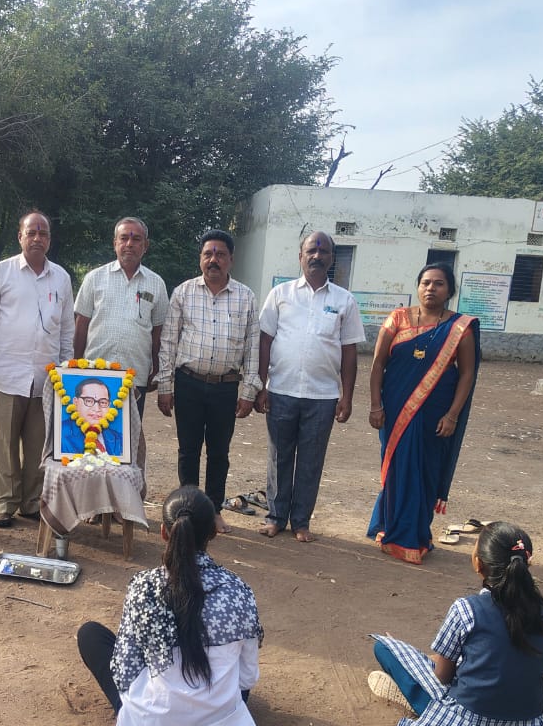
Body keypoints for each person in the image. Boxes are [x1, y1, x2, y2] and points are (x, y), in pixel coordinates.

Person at [76, 486, 263, 726]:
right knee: (231, 681)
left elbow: (125, 673)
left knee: (90, 634)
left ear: (164, 532)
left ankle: (157, 721)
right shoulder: (238, 590)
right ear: (213, 533)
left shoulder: (143, 587)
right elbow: (247, 678)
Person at [367, 521, 543, 726]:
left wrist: (405, 653)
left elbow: (442, 677)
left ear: (478, 564)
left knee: (384, 649)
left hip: (468, 724)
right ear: (526, 564)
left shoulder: (466, 609)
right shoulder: (541, 610)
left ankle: (413, 701)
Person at [366, 262, 480, 563]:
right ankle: (391, 530)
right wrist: (375, 404)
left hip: (435, 414)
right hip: (395, 410)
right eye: (426, 282)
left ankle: (416, 536)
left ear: (450, 290)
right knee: (397, 468)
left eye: (439, 283)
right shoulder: (397, 318)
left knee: (425, 471)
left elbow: (467, 374)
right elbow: (378, 364)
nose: (431, 288)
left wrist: (452, 415)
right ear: (418, 287)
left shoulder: (460, 328)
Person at [255, 231, 365, 541]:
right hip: (281, 391)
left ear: (332, 258)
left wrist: (347, 396)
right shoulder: (280, 294)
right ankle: (276, 517)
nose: (317, 256)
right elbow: (265, 342)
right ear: (300, 256)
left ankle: (301, 522)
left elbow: (349, 352)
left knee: (311, 461)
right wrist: (261, 386)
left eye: (323, 251)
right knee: (279, 458)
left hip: (323, 396)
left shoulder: (344, 300)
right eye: (311, 250)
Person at [0, 211, 74, 528]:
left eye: (43, 233)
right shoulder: (0, 273)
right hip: (6, 374)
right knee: (3, 444)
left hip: (46, 379)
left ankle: (31, 503)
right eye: (32, 232)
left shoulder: (61, 278)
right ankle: (4, 503)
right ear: (20, 237)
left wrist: (66, 373)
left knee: (37, 446)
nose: (37, 238)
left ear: (50, 240)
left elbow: (66, 330)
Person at [157, 229, 259, 534]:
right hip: (188, 382)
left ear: (230, 259)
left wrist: (249, 390)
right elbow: (168, 343)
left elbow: (252, 346)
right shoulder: (183, 293)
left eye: (220, 254)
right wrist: (165, 387)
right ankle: (187, 510)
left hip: (225, 387)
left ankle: (213, 511)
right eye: (208, 254)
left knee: (219, 453)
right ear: (200, 258)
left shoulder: (245, 297)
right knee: (188, 451)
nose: (213, 260)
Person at [73, 217, 169, 419]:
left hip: (134, 375)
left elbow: (158, 331)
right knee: (92, 432)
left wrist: (157, 368)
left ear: (145, 245)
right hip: (95, 372)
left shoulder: (156, 283)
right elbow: (81, 325)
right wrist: (75, 364)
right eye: (124, 238)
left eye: (136, 239)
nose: (129, 244)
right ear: (115, 242)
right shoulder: (94, 278)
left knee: (128, 434)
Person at [59, 377, 124, 456]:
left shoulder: (119, 439)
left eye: (103, 402)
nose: (97, 409)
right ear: (76, 402)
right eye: (89, 401)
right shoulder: (59, 433)